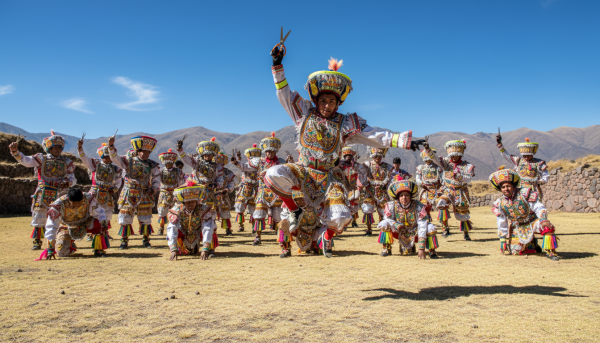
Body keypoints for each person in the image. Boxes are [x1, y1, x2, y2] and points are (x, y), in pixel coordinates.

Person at [266, 47, 426, 258]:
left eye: (332, 101)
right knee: (271, 174)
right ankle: (294, 210)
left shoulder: (345, 123)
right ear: (316, 101)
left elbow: (375, 135)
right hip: (303, 171)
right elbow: (283, 94)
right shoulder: (303, 113)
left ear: (338, 102)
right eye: (323, 100)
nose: (327, 105)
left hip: (329, 177)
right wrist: (278, 65)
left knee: (341, 215)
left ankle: (326, 235)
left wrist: (405, 141)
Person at [9, 130, 76, 250]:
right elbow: (25, 161)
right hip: (43, 192)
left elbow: (72, 178)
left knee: (63, 217)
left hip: (60, 192)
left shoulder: (66, 162)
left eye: (60, 147)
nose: (58, 150)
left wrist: (69, 182)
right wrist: (15, 151)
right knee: (39, 216)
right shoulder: (41, 159)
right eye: (55, 147)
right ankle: (37, 240)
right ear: (49, 148)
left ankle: (65, 238)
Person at [490, 167, 559, 260]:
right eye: (503, 187)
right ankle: (532, 243)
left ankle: (550, 252)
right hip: (517, 227)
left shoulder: (524, 194)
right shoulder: (499, 203)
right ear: (500, 189)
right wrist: (503, 240)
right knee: (516, 252)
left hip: (532, 222)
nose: (506, 189)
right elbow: (501, 221)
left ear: (513, 185)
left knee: (547, 227)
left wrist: (543, 219)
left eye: (508, 186)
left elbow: (538, 207)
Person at [232, 133, 288, 245]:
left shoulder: (281, 162)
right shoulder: (259, 161)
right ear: (265, 151)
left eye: (271, 151)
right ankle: (257, 237)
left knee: (279, 216)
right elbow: (245, 167)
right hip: (262, 191)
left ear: (275, 151)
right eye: (267, 151)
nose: (269, 153)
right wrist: (236, 162)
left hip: (276, 192)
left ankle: (281, 237)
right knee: (259, 214)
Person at [109, 135, 161, 249]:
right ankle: (124, 241)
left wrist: (154, 188)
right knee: (125, 217)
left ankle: (146, 240)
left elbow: (157, 177)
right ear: (138, 151)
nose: (147, 154)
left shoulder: (152, 164)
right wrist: (111, 146)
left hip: (145, 193)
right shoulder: (128, 161)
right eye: (144, 152)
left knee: (146, 218)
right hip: (129, 192)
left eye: (148, 152)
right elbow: (115, 158)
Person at [423, 141, 475, 240]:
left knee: (463, 212)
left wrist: (459, 176)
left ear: (459, 155)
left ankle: (466, 233)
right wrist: (428, 150)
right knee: (441, 203)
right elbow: (435, 159)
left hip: (460, 191)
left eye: (456, 155)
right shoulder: (446, 163)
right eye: (452, 155)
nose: (453, 157)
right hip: (447, 189)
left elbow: (469, 178)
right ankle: (445, 229)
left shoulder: (466, 165)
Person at [38, 187, 109, 259]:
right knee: (62, 253)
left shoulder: (89, 199)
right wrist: (50, 249)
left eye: (80, 202)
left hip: (85, 223)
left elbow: (100, 213)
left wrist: (103, 223)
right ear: (68, 200)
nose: (77, 205)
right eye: (75, 203)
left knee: (100, 223)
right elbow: (51, 225)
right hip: (66, 226)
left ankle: (99, 249)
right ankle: (69, 246)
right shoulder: (58, 204)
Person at [377, 178, 439, 258]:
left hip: (415, 231)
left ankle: (431, 251)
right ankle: (386, 248)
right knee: (384, 224)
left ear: (410, 196)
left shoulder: (418, 205)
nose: (404, 198)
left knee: (430, 227)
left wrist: (421, 248)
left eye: (406, 195)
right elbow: (387, 218)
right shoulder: (392, 205)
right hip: (399, 231)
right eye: (401, 195)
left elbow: (422, 224)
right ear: (398, 197)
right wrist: (395, 224)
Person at [77, 141, 123, 241]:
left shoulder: (116, 168)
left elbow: (118, 181)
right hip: (94, 193)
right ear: (101, 156)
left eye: (108, 157)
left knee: (105, 214)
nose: (106, 159)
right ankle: (90, 233)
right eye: (104, 157)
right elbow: (84, 159)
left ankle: (104, 232)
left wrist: (114, 188)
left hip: (107, 194)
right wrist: (80, 149)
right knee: (91, 212)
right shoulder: (95, 164)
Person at [167, 181, 217, 260]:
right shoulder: (177, 210)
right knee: (174, 227)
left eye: (192, 202)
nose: (190, 205)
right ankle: (179, 248)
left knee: (212, 226)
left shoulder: (203, 209)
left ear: (196, 202)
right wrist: (173, 249)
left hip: (198, 231)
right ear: (183, 203)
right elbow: (172, 228)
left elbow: (207, 228)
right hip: (184, 232)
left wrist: (205, 248)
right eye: (188, 203)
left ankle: (210, 249)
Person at [361, 148, 402, 236]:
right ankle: (369, 229)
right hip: (370, 191)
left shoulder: (388, 167)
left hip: (382, 192)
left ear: (382, 156)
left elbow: (391, 179)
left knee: (383, 211)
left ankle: (382, 228)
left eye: (379, 156)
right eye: (375, 156)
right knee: (367, 210)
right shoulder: (367, 165)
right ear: (373, 156)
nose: (377, 158)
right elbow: (362, 175)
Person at [496, 135, 549, 199]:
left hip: (533, 190)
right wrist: (500, 146)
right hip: (519, 190)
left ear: (532, 154)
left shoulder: (539, 163)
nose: (526, 157)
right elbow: (507, 156)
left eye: (528, 155)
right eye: (524, 155)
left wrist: (539, 181)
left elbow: (546, 176)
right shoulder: (518, 161)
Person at [338, 146, 369, 229]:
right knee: (344, 205)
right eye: (347, 157)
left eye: (350, 157)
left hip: (354, 188)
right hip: (343, 188)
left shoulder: (355, 166)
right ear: (344, 157)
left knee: (354, 206)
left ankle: (354, 221)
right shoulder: (340, 165)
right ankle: (344, 223)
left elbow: (363, 172)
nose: (349, 159)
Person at [156, 149, 186, 235]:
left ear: (173, 163)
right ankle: (161, 228)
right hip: (164, 194)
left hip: (174, 194)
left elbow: (181, 183)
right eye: (166, 163)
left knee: (176, 211)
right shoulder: (160, 172)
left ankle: (175, 227)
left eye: (170, 163)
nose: (168, 164)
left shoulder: (178, 172)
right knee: (162, 211)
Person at [233, 144, 260, 232]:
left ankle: (253, 226)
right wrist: (237, 161)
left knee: (253, 207)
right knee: (240, 205)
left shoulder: (258, 166)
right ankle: (240, 225)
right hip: (245, 187)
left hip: (255, 189)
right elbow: (242, 166)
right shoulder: (245, 165)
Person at [415, 147, 443, 221]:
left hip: (437, 190)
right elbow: (417, 179)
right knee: (423, 206)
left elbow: (442, 179)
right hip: (425, 190)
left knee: (442, 205)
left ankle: (445, 227)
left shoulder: (438, 168)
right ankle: (426, 224)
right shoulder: (421, 168)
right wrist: (421, 183)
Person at [215, 152, 236, 236]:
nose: (220, 163)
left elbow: (232, 183)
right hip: (212, 194)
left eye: (222, 161)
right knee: (211, 213)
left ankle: (228, 229)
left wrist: (227, 189)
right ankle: (212, 230)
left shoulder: (228, 172)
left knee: (225, 212)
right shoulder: (211, 171)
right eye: (218, 160)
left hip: (223, 194)